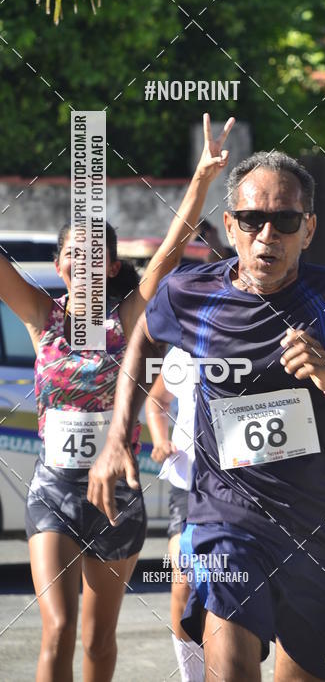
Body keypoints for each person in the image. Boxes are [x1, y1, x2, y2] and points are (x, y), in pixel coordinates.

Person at [88, 150, 325, 681]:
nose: (268, 235)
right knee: (231, 669)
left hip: (322, 529)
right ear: (232, 227)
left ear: (308, 229)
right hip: (227, 519)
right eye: (252, 220)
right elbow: (141, 340)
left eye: (284, 220)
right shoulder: (191, 293)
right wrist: (118, 438)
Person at [0, 113, 233, 682]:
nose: (82, 263)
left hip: (116, 495)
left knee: (99, 642)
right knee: (55, 626)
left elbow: (171, 252)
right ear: (59, 265)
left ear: (109, 267)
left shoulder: (127, 320)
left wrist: (202, 177)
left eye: (94, 254)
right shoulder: (42, 318)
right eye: (71, 254)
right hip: (53, 487)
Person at [146, 346, 205, 681]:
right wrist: (161, 440)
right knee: (182, 578)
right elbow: (157, 400)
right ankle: (192, 676)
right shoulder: (181, 352)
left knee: (235, 582)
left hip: (241, 485)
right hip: (188, 483)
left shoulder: (248, 336)